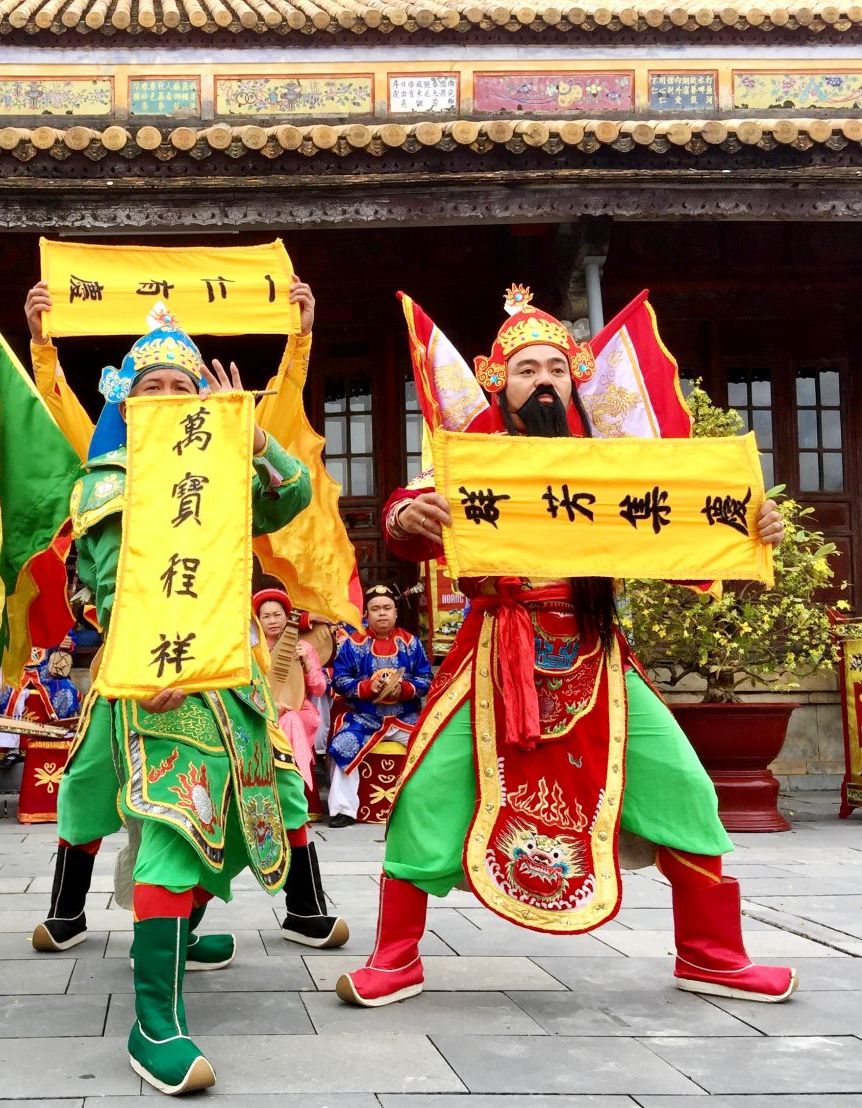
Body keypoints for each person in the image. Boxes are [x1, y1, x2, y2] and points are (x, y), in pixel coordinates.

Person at [335, 285, 796, 1009]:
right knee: (426, 792)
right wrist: (408, 511)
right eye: (527, 369)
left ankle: (712, 954)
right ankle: (395, 958)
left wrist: (748, 523)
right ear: (501, 382)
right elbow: (404, 517)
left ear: (570, 381)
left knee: (681, 784)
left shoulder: (610, 469)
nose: (543, 380)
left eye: (555, 368)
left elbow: (686, 529)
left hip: (594, 651)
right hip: (495, 651)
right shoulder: (471, 461)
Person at [23, 286, 347, 1094]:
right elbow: (97, 589)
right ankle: (152, 1020)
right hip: (150, 675)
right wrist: (143, 663)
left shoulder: (224, 466)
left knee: (262, 794)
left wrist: (253, 431)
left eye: (182, 388)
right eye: (152, 389)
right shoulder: (103, 485)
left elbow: (294, 498)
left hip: (232, 670)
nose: (168, 399)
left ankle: (190, 928)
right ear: (126, 406)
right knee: (155, 810)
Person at [326, 584, 433, 829]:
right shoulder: (353, 644)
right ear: (366, 615)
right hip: (366, 717)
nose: (382, 613)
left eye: (387, 608)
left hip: (405, 716)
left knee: (430, 744)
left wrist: (403, 689)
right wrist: (366, 687)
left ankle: (424, 806)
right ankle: (344, 810)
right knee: (344, 744)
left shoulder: (411, 643)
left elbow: (427, 679)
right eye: (375, 609)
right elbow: (339, 679)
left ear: (396, 612)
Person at [253, 587, 327, 817]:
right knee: (283, 721)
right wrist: (270, 707)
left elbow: (319, 688)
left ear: (287, 617)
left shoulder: (304, 647)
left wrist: (305, 663)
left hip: (299, 709)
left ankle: (297, 799)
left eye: (277, 615)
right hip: (263, 710)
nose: (273, 621)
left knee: (293, 719)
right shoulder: (253, 651)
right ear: (258, 621)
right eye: (266, 616)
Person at [0, 635, 82, 768]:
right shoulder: (14, 615)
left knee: (67, 690)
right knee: (4, 691)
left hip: (49, 673)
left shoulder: (52, 615)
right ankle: (12, 748)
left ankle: (63, 744)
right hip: (18, 671)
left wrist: (64, 641)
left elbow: (68, 634)